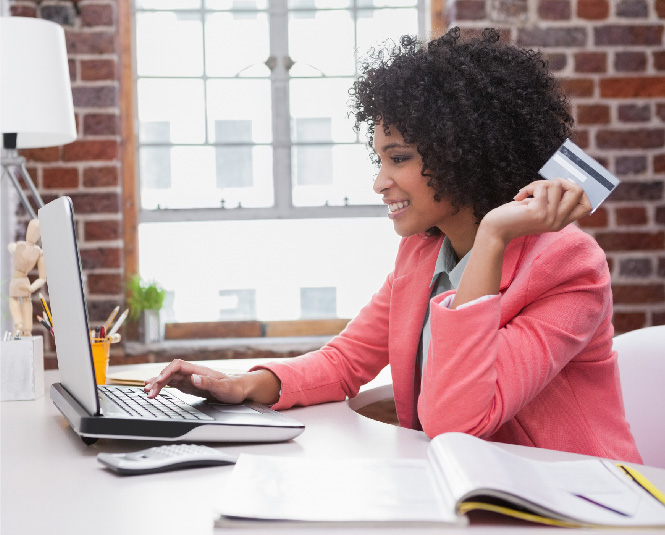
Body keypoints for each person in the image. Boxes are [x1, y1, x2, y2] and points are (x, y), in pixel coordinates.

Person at [145, 28, 642, 462]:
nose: (380, 183)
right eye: (380, 159)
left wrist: (492, 235)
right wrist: (240, 385)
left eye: (398, 158)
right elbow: (345, 361)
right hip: (467, 498)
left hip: (580, 505)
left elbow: (457, 420)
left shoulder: (568, 266)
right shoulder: (424, 253)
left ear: (463, 155)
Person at [8, 218, 46, 336]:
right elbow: (42, 278)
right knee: (26, 301)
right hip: (26, 281)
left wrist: (15, 249)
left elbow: (11, 247)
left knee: (13, 299)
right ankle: (27, 329)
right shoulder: (39, 252)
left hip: (16, 279)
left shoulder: (20, 246)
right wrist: (32, 287)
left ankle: (19, 324)